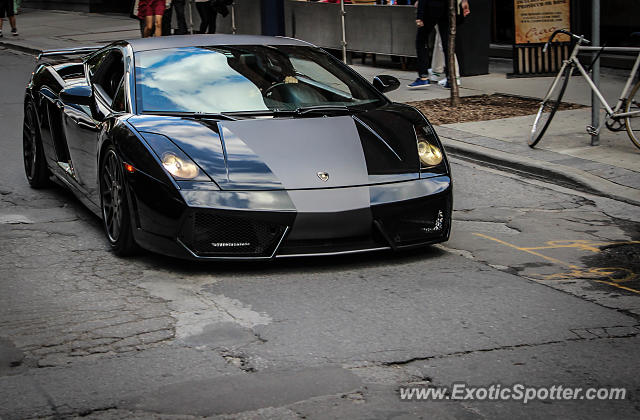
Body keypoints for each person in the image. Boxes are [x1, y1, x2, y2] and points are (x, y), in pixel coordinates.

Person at [408, 0, 469, 89]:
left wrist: (419, 15)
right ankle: (450, 78)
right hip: (448, 7)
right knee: (446, 44)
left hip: (432, 7)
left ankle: (423, 77)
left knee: (421, 41)